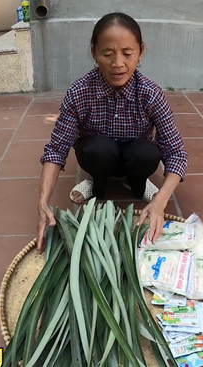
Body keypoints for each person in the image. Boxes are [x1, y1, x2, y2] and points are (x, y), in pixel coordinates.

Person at [35, 12, 188, 253]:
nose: (118, 63)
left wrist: (160, 202)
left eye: (127, 54)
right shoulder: (79, 92)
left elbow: (176, 154)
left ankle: (138, 184)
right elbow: (56, 149)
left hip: (135, 157)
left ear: (141, 52)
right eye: (108, 54)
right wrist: (43, 202)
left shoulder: (151, 94)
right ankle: (98, 183)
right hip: (97, 156)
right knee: (99, 149)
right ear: (94, 53)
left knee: (148, 152)